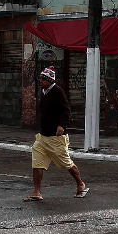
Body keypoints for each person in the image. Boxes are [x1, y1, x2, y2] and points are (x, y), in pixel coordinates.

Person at [25, 67, 87, 201]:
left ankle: (80, 184)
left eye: (42, 79)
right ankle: (37, 191)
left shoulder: (57, 91)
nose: (40, 81)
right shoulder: (44, 92)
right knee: (37, 162)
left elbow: (66, 110)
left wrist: (62, 125)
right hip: (42, 137)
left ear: (49, 80)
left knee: (66, 163)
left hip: (55, 138)